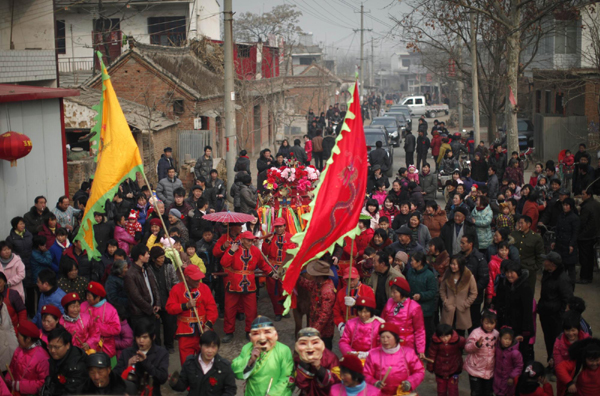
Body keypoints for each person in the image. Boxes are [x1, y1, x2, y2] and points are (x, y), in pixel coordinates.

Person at [220, 231, 278, 343]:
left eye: (252, 240)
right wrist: (231, 251)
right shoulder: (233, 249)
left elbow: (263, 265)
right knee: (229, 309)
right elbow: (224, 263)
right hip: (234, 283)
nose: (250, 242)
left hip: (250, 284)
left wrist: (272, 274)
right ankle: (228, 332)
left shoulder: (255, 250)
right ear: (241, 240)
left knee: (252, 310)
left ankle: (250, 331)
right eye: (248, 240)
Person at [166, 265, 218, 366]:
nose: (198, 281)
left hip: (203, 331)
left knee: (205, 362)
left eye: (199, 278)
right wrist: (186, 305)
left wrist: (208, 326)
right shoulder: (176, 289)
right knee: (186, 364)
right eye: (195, 279)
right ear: (187, 278)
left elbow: (212, 309)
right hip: (184, 332)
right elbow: (169, 308)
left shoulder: (205, 288)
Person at [231, 316, 295, 396]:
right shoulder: (247, 348)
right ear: (251, 337)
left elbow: (287, 378)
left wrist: (272, 394)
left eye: (267, 332)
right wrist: (250, 360)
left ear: (275, 335)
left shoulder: (283, 350)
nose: (262, 338)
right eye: (256, 333)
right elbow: (235, 370)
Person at [363, 322, 425, 395]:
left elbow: (419, 371)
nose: (385, 340)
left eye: (388, 337)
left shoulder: (409, 353)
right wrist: (374, 382)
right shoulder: (373, 354)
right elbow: (366, 374)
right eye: (382, 337)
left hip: (403, 393)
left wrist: (410, 383)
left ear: (396, 338)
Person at [168, 330, 237, 396]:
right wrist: (175, 382)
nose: (210, 351)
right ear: (200, 346)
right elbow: (182, 386)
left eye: (213, 347)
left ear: (218, 348)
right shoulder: (190, 364)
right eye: (207, 346)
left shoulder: (224, 366)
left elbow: (231, 389)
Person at [114, 320, 169, 396]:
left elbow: (162, 378)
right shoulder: (127, 352)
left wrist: (146, 362)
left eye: (145, 337)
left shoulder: (161, 353)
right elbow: (114, 378)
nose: (141, 341)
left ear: (153, 337)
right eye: (138, 337)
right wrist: (128, 366)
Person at [493, 260, 534, 360]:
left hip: (520, 326)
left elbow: (527, 311)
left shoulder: (525, 287)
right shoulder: (505, 284)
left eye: (512, 272)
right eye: (507, 272)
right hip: (507, 323)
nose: (509, 275)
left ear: (518, 273)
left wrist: (525, 330)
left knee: (520, 353)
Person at [380, 276, 426, 357]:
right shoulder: (390, 302)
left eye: (395, 292)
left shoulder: (414, 307)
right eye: (392, 292)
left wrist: (420, 350)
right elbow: (382, 321)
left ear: (402, 293)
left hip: (406, 344)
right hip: (388, 342)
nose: (392, 295)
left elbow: (419, 330)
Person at [298, 260, 336, 350]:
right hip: (316, 328)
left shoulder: (327, 291)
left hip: (324, 332)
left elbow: (324, 315)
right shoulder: (318, 284)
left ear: (319, 276)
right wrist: (295, 276)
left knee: (324, 354)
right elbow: (307, 284)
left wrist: (314, 330)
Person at [4, 319, 49, 395]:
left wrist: (19, 386)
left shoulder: (42, 357)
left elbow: (43, 383)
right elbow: (11, 368)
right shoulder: (19, 349)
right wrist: (8, 379)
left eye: (19, 336)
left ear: (28, 339)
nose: (17, 338)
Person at [81, 282, 121, 361]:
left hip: (105, 349)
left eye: (90, 296)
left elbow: (116, 329)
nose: (87, 298)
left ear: (98, 297)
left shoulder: (110, 310)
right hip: (85, 347)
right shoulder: (83, 306)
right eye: (87, 295)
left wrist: (96, 326)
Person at [406, 251, 438, 353]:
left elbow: (433, 292)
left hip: (425, 310)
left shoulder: (429, 275)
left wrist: (421, 296)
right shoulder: (410, 272)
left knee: (426, 332)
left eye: (413, 261)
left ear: (420, 262)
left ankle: (426, 351)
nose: (411, 262)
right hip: (411, 307)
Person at [41, 327, 88, 396]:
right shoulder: (56, 357)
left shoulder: (77, 366)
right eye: (50, 347)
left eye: (57, 347)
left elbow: (73, 392)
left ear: (67, 345)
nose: (52, 350)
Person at [294, 327, 340, 395]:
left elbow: (336, 383)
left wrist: (319, 368)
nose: (310, 347)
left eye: (315, 342)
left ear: (322, 344)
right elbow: (301, 384)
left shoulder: (331, 358)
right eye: (303, 343)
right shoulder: (298, 359)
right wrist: (304, 365)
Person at [124, 245, 161, 330]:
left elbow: (154, 287)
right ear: (140, 257)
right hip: (139, 314)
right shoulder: (130, 274)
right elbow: (135, 296)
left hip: (151, 311)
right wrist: (150, 309)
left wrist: (157, 302)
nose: (148, 256)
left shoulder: (147, 269)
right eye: (147, 254)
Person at [440, 253, 478, 335]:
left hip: (462, 309)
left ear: (460, 265)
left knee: (460, 335)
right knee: (447, 333)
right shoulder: (447, 274)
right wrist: (445, 301)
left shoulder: (468, 276)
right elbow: (442, 289)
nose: (452, 266)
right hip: (449, 309)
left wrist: (466, 304)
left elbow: (474, 292)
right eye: (451, 264)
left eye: (455, 264)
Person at [464, 310, 499, 396]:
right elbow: (467, 348)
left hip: (489, 371)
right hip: (475, 369)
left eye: (492, 323)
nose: (489, 326)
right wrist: (476, 345)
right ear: (481, 321)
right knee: (476, 392)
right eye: (486, 323)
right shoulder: (476, 333)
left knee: (487, 392)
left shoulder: (497, 334)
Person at [553, 312, 590, 389]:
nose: (570, 333)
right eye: (567, 330)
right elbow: (558, 364)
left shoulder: (587, 340)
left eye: (573, 330)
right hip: (565, 377)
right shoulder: (559, 342)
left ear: (578, 329)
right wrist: (568, 381)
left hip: (583, 377)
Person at [427, 323, 466, 396]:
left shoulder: (458, 340)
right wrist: (430, 367)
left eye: (447, 336)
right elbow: (431, 355)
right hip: (440, 371)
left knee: (453, 390)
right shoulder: (435, 343)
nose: (445, 339)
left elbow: (467, 345)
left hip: (454, 370)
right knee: (441, 390)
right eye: (442, 337)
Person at [334, 266, 375, 334]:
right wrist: (340, 324)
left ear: (358, 277)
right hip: (346, 326)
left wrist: (356, 303)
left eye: (353, 279)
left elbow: (372, 307)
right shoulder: (341, 292)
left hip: (363, 326)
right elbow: (336, 311)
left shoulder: (367, 290)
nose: (350, 282)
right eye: (347, 279)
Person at [460, 234, 488, 330]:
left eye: (463, 243)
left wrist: (471, 290)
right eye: (460, 243)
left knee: (473, 324)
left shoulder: (479, 259)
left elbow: (484, 280)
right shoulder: (459, 257)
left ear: (470, 244)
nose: (461, 245)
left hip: (474, 299)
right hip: (460, 298)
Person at [511, 216, 544, 292]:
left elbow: (540, 255)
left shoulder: (536, 238)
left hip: (529, 270)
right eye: (518, 223)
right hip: (515, 269)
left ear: (528, 224)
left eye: (521, 223)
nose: (519, 225)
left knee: (528, 292)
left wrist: (535, 267)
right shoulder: (514, 234)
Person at [552, 197, 579, 287]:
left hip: (569, 245)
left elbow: (575, 233)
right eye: (564, 205)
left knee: (570, 268)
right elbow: (557, 229)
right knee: (559, 266)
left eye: (567, 205)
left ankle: (571, 288)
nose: (565, 207)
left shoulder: (574, 218)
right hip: (560, 244)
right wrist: (554, 241)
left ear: (571, 206)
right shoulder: (561, 216)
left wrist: (571, 244)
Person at [577, 188, 600, 284]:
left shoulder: (586, 207)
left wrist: (579, 234)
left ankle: (585, 277)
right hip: (595, 234)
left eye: (583, 194)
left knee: (585, 258)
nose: (582, 196)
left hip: (586, 236)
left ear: (589, 195)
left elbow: (582, 222)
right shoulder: (596, 204)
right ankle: (588, 276)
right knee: (590, 257)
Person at [493, 327, 524, 396]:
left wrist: (512, 377)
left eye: (509, 339)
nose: (507, 341)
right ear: (499, 338)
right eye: (505, 339)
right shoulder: (497, 348)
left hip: (508, 380)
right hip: (497, 378)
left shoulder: (515, 353)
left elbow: (519, 366)